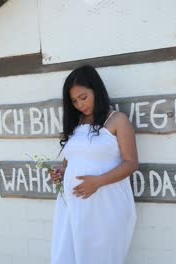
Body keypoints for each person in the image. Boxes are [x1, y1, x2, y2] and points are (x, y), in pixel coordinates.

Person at [49, 64, 138, 264]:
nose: (79, 104)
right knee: (67, 256)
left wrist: (97, 181)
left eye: (83, 97)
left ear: (96, 90)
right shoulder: (77, 123)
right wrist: (62, 172)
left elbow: (131, 163)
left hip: (105, 204)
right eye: (73, 101)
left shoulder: (117, 120)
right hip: (72, 206)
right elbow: (70, 161)